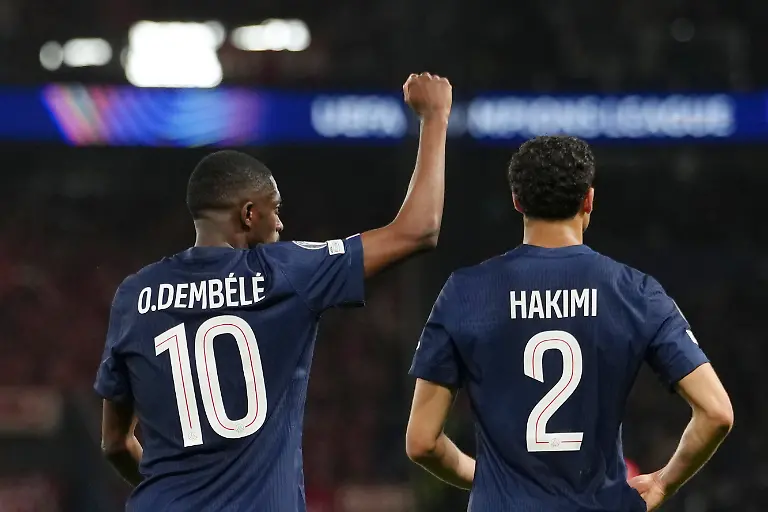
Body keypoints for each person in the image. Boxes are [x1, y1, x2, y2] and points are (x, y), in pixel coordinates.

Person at [94, 72, 452, 512]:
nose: (280, 224)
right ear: (248, 213)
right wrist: (435, 117)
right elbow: (418, 231)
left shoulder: (135, 294)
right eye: (275, 210)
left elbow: (114, 442)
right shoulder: (286, 272)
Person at [405, 135, 733, 511]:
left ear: (516, 201)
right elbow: (717, 413)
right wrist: (663, 483)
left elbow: (422, 442)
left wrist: (488, 480)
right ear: (589, 200)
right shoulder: (636, 292)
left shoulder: (465, 292)